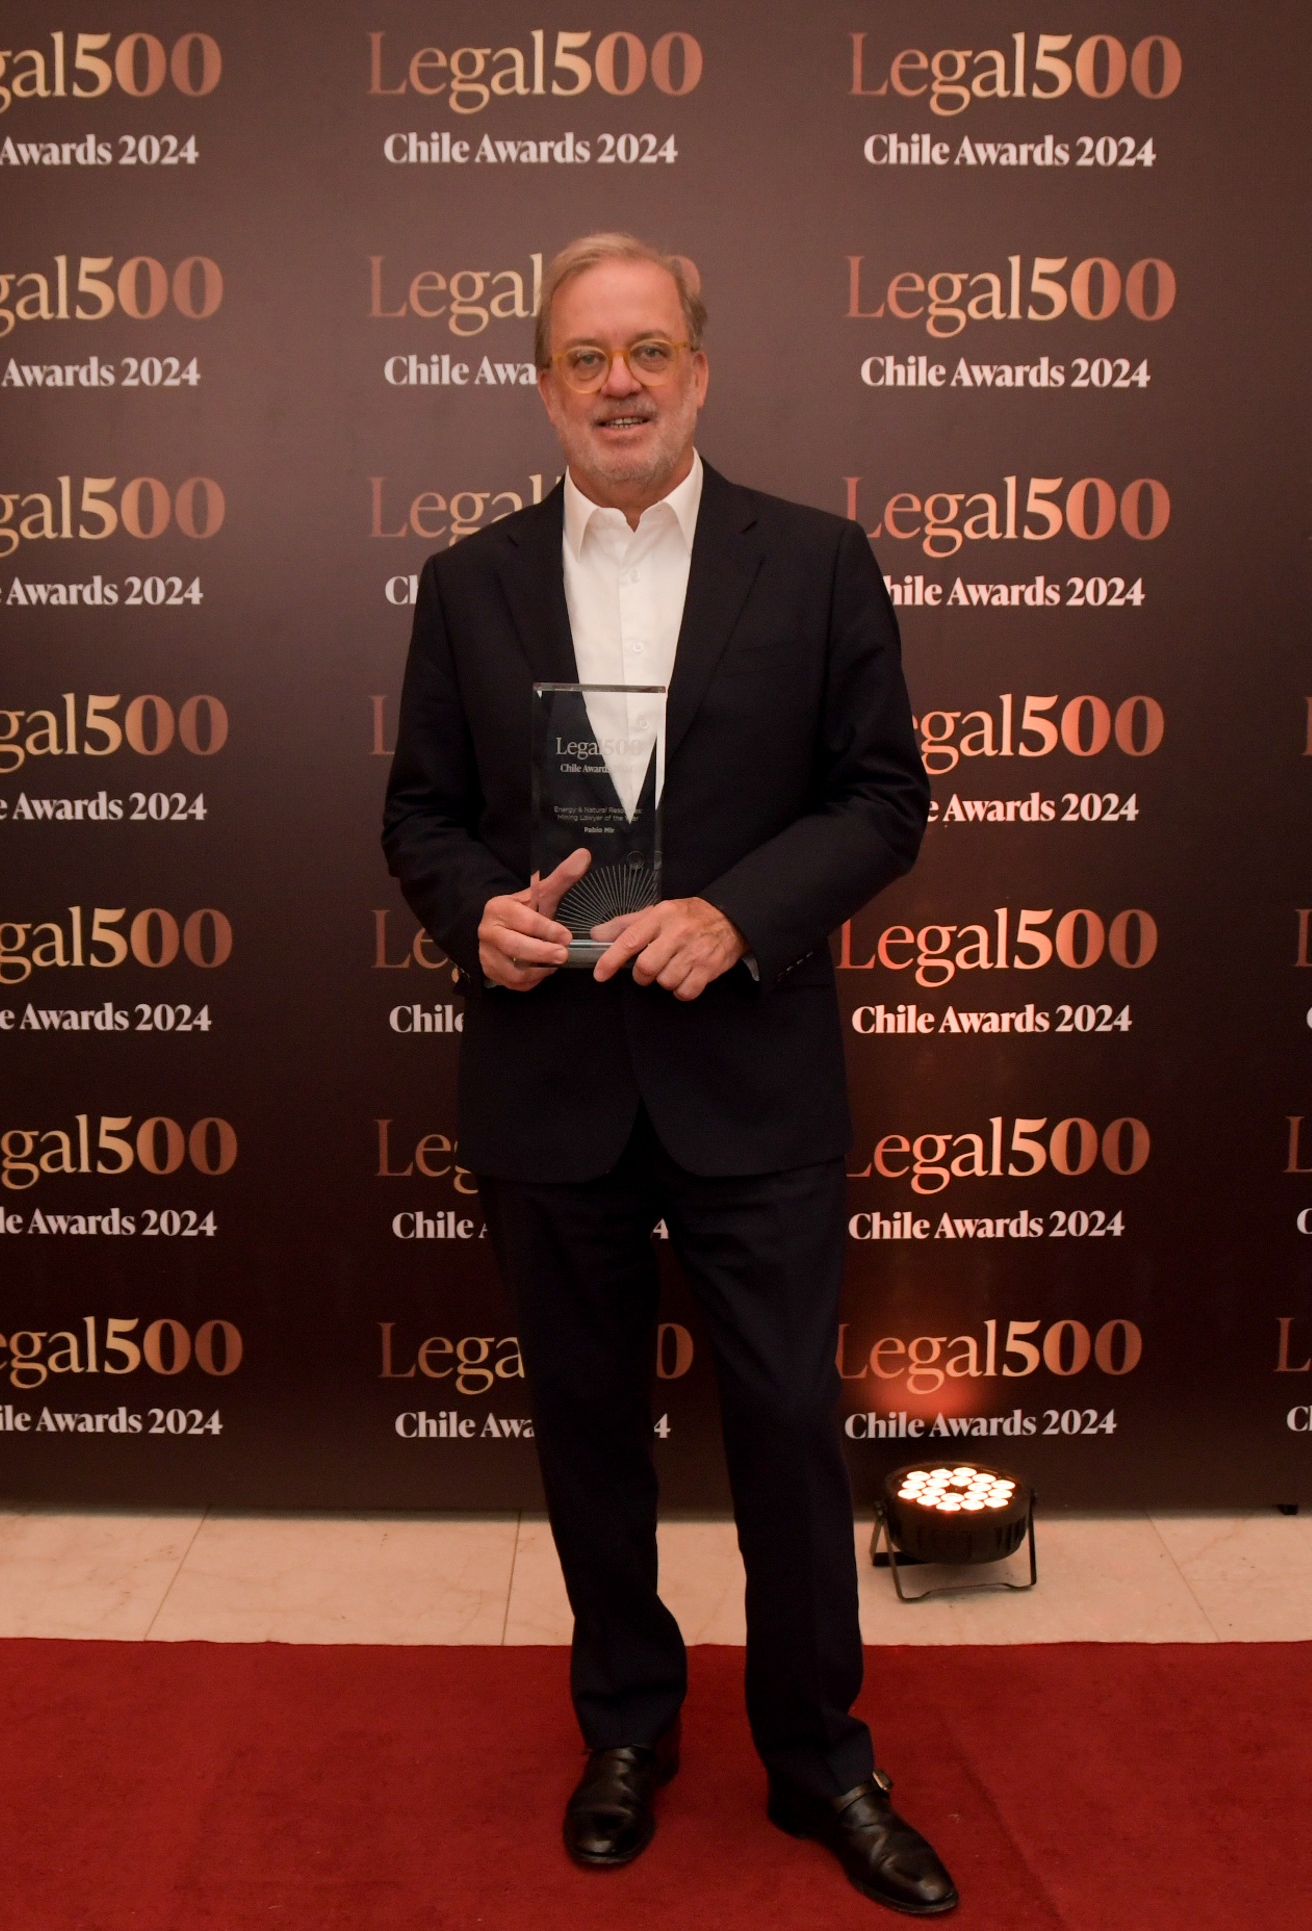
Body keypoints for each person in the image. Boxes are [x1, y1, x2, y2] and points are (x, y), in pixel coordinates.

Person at [381, 232, 952, 1915]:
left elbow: (882, 798)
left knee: (783, 1425)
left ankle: (822, 1759)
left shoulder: (820, 561)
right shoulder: (467, 583)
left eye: (648, 351)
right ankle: (626, 1728)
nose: (618, 383)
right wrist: (474, 915)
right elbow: (422, 816)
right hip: (549, 1079)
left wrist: (738, 915)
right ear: (543, 385)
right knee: (586, 1430)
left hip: (750, 1076)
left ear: (699, 369)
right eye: (585, 357)